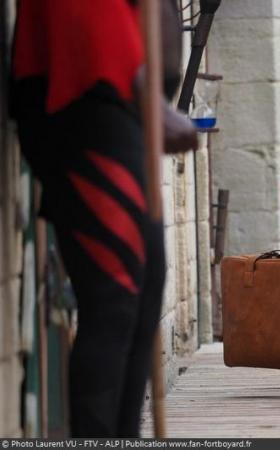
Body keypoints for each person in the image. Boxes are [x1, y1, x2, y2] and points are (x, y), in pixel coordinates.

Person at [10, 0, 196, 436]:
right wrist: (147, 97)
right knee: (114, 296)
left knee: (146, 288)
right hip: (92, 101)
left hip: (121, 109)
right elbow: (88, 25)